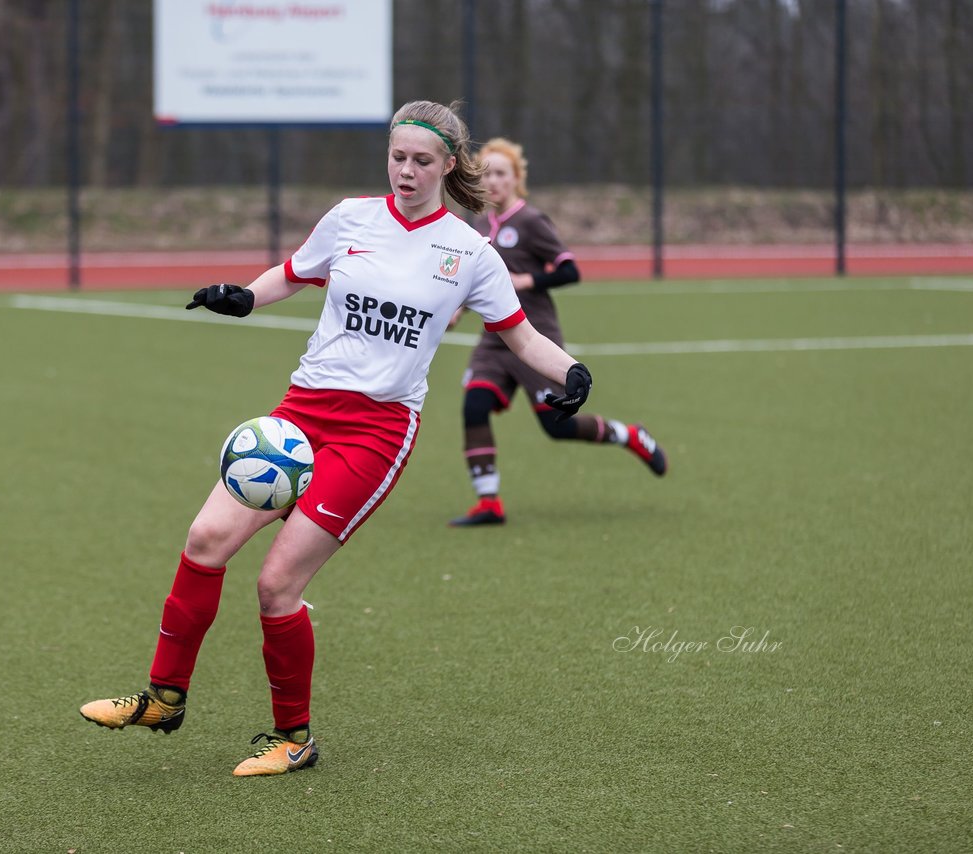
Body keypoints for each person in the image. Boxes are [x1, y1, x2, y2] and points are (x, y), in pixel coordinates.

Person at [78, 101, 593, 777]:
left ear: (447, 167)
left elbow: (520, 336)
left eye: (421, 161)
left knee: (276, 584)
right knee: (204, 541)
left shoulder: (469, 252)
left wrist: (572, 371)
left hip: (376, 432)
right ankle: (164, 697)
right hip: (299, 413)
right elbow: (291, 275)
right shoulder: (351, 216)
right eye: (397, 156)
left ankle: (292, 737)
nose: (405, 171)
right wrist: (242, 295)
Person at [447, 137, 667, 528]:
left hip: (535, 337)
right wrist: (458, 308)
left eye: (501, 173)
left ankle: (628, 435)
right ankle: (488, 503)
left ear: (517, 178)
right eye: (487, 173)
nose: (493, 181)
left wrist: (525, 281)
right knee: (473, 406)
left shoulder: (531, 222)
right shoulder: (477, 225)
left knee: (556, 426)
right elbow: (476, 280)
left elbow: (569, 270)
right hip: (494, 341)